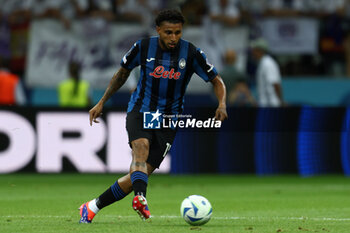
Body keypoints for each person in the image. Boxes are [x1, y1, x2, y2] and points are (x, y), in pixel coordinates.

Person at [78, 9, 228, 223]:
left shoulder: (191, 53)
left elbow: (217, 80)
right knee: (140, 148)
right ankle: (141, 198)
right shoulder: (142, 47)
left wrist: (222, 103)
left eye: (177, 32)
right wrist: (102, 101)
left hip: (169, 120)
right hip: (141, 109)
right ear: (158, 30)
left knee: (138, 176)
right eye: (168, 32)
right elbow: (122, 73)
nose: (173, 38)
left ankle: (91, 206)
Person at [250, 38, 283, 107]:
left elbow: (275, 83)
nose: (252, 52)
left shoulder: (268, 63)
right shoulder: (262, 63)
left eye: (254, 50)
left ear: (259, 51)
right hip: (266, 105)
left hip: (271, 105)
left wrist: (280, 101)